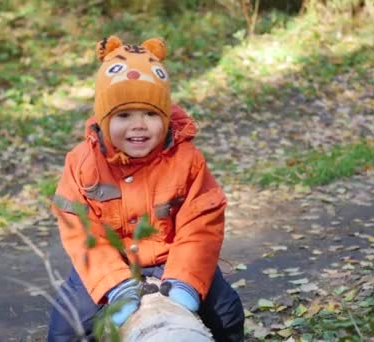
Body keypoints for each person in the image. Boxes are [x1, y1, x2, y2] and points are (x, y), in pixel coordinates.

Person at [48, 36, 244, 341]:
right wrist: (114, 284)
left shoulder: (187, 160)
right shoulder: (82, 163)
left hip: (171, 259)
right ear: (103, 118)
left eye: (151, 115)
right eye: (124, 115)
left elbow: (201, 224)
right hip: (109, 262)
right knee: (67, 326)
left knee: (227, 310)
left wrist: (186, 281)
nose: (139, 125)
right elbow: (79, 230)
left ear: (165, 117)